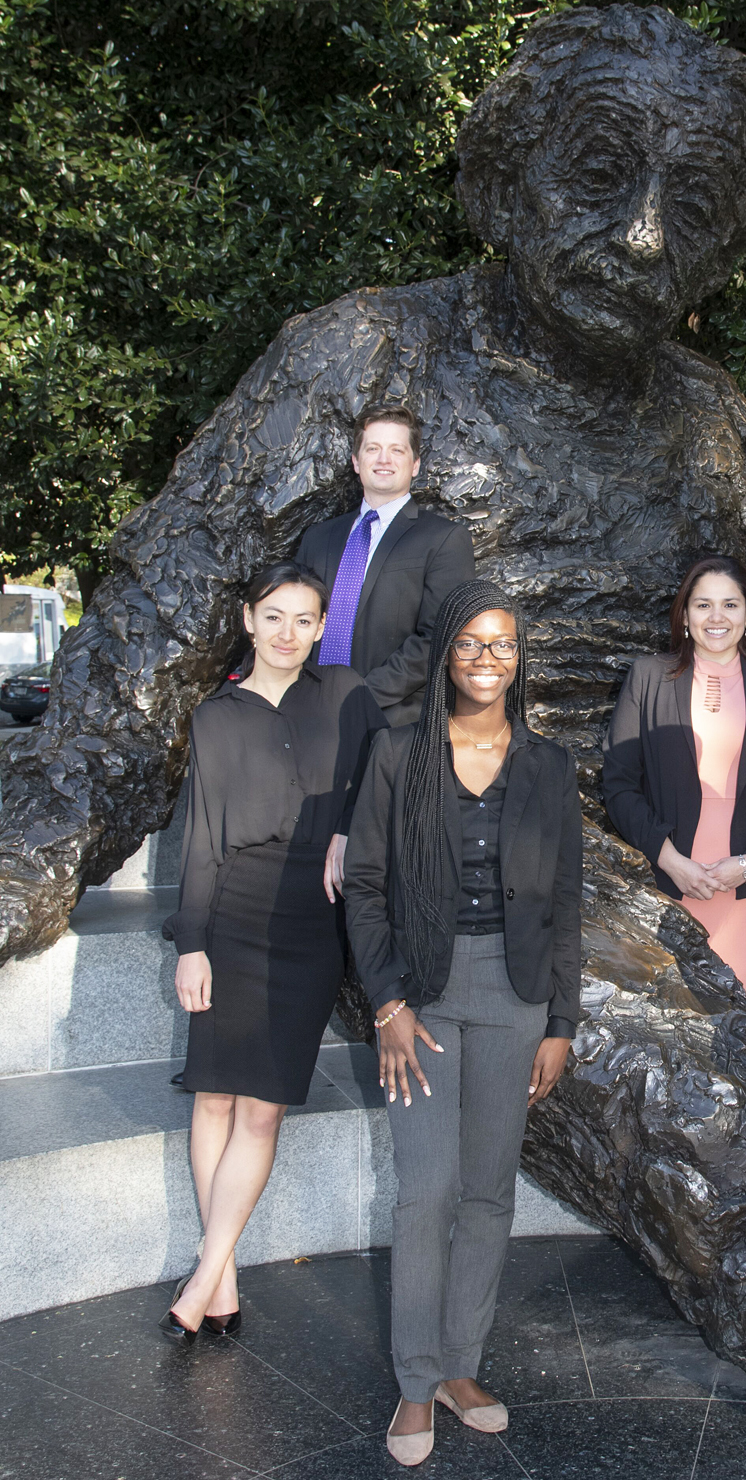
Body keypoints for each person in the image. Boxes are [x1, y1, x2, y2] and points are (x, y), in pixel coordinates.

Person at [343, 579, 581, 1467]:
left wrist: (561, 1019)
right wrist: (389, 1006)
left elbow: (565, 901)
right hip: (424, 992)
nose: (488, 660)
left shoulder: (548, 767)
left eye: (504, 646)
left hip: (517, 998)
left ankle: (458, 1367)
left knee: (489, 1192)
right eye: (472, 644)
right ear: (447, 653)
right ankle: (414, 1384)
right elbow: (364, 888)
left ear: (521, 660)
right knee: (426, 1192)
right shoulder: (400, 754)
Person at [160, 561, 386, 1343]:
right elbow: (201, 843)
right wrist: (192, 945)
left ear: (323, 627)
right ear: (249, 620)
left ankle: (206, 1269)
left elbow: (382, 784)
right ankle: (214, 1281)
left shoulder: (350, 696)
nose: (289, 633)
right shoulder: (216, 716)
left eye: (304, 619)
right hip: (232, 915)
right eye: (274, 617)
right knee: (214, 1095)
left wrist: (351, 835)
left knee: (262, 1109)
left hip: (309, 923)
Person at [602, 555, 746, 1027]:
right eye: (703, 604)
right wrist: (671, 861)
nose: (716, 617)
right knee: (677, 1030)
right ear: (684, 615)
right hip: (674, 882)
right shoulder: (648, 677)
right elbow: (619, 784)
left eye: (730, 604)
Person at [297, 402, 475, 730]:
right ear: (355, 460)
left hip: (391, 724)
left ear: (415, 464)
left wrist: (358, 697)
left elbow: (440, 636)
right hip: (306, 717)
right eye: (373, 448)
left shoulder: (445, 539)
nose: (383, 459)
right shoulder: (317, 538)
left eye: (397, 450)